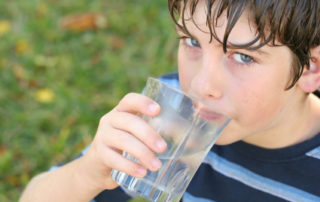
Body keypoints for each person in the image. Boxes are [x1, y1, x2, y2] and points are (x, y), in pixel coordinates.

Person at [20, 0, 320, 201]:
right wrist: (88, 172)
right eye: (192, 42)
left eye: (243, 57)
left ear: (310, 69)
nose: (202, 86)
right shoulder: (171, 114)